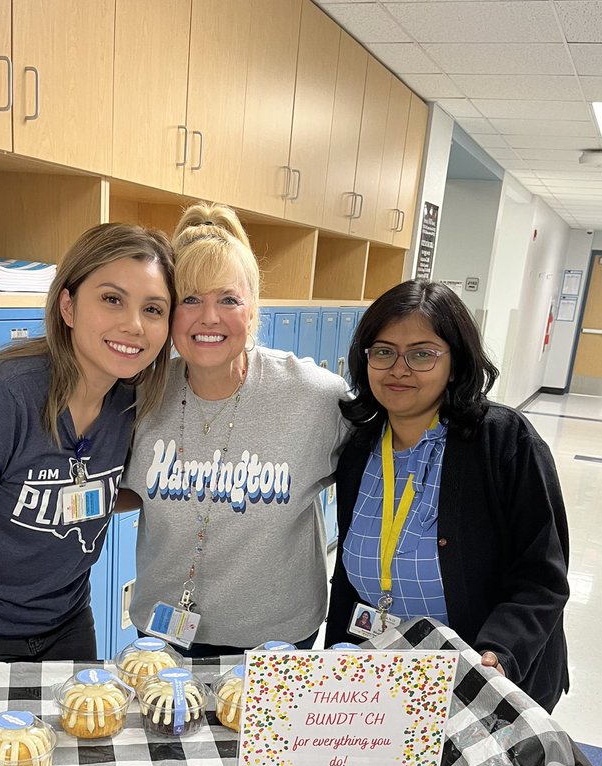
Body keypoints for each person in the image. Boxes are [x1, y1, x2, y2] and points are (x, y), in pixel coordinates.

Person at [0, 224, 175, 663]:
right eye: (112, 299)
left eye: (153, 309)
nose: (133, 325)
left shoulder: (130, 400)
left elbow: (101, 491)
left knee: (82, 728)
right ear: (68, 306)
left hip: (65, 618)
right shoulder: (0, 395)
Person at [325, 280, 570, 714]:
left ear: (455, 364)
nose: (398, 369)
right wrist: (334, 665)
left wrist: (499, 654)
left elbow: (542, 577)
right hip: (381, 674)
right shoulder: (360, 448)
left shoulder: (504, 442)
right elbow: (348, 570)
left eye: (422, 354)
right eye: (383, 352)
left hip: (480, 676)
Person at [121, 204, 350, 656]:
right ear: (167, 313)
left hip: (276, 638)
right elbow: (120, 487)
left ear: (253, 310)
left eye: (228, 299)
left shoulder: (316, 398)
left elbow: (378, 477)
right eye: (190, 299)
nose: (209, 317)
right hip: (164, 632)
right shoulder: (140, 394)